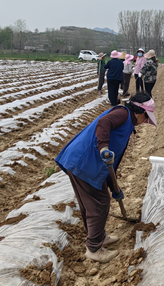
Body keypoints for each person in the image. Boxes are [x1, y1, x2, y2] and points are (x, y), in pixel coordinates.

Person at [55, 92, 156, 263]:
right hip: (84, 163)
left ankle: (99, 237)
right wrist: (103, 147)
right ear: (140, 112)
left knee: (91, 204)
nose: (143, 122)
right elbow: (103, 123)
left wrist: (113, 187)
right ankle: (94, 248)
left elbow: (112, 163)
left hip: (84, 163)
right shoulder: (123, 114)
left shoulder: (127, 123)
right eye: (145, 118)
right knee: (99, 204)